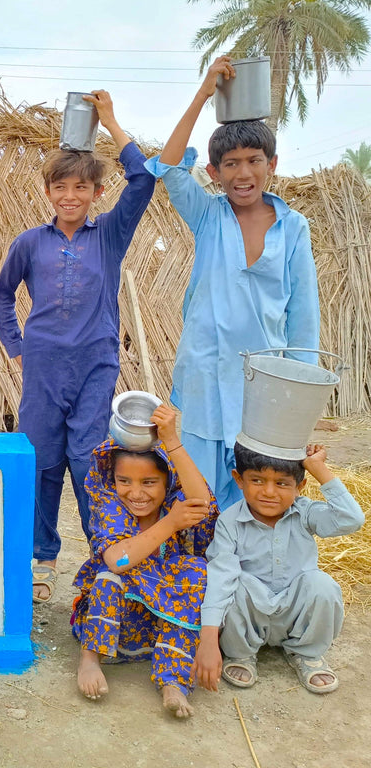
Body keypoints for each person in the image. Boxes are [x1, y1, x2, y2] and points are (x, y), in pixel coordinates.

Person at [0, 91, 156, 603]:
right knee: (41, 461)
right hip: (42, 367)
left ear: (96, 192)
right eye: (60, 186)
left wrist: (109, 119)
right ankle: (43, 559)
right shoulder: (29, 242)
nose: (69, 196)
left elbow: (146, 178)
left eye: (80, 187)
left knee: (88, 461)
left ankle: (104, 555)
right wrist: (17, 347)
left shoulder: (109, 234)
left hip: (95, 364)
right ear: (47, 191)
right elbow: (2, 297)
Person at [144, 56, 319, 510]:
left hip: (264, 383)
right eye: (231, 163)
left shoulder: (293, 226)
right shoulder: (207, 215)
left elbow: (303, 314)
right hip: (203, 375)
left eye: (254, 161)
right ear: (216, 171)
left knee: (255, 495)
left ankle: (247, 578)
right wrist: (204, 92)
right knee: (198, 492)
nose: (244, 174)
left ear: (272, 163)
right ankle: (200, 576)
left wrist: (299, 395)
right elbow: (168, 167)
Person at [72, 404, 218, 718]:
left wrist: (172, 441)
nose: (136, 493)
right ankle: (89, 660)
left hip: (159, 631)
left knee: (196, 570)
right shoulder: (112, 508)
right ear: (113, 480)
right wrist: (172, 524)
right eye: (124, 481)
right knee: (107, 575)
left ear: (167, 485)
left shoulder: (174, 505)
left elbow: (202, 502)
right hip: (116, 628)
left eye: (149, 483)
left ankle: (172, 680)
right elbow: (116, 559)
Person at [193, 443, 364, 695]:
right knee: (234, 584)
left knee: (322, 585)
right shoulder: (229, 522)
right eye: (257, 480)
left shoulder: (305, 512)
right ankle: (240, 654)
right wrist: (208, 640)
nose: (269, 492)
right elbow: (221, 577)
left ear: (300, 487)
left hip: (293, 612)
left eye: (282, 483)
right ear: (239, 480)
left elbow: (352, 519)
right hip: (251, 615)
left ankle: (306, 652)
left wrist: (318, 468)